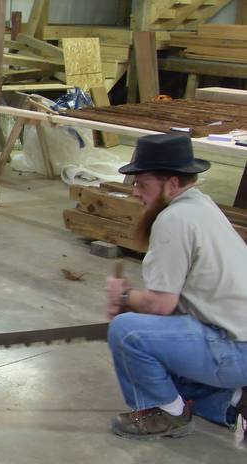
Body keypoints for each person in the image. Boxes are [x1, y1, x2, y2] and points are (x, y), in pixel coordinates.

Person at [105, 133, 247, 439]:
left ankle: (166, 414)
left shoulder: (173, 220)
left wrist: (125, 296)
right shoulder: (201, 205)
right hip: (237, 341)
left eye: (142, 184)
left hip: (235, 348)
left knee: (127, 332)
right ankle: (232, 401)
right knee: (162, 375)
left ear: (171, 185)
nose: (135, 192)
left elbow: (161, 304)